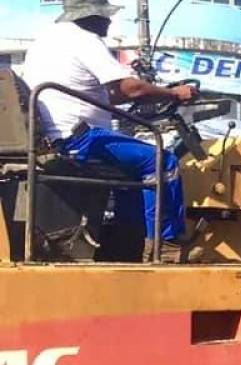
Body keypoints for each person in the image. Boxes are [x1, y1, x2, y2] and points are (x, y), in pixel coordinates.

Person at [22, 0, 198, 256]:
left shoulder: (43, 42)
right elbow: (130, 88)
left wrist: (155, 94)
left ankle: (126, 246)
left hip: (52, 139)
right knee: (162, 161)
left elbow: (112, 95)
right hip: (80, 139)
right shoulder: (85, 39)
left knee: (130, 171)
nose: (109, 21)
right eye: (105, 16)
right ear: (90, 16)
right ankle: (167, 247)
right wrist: (173, 93)